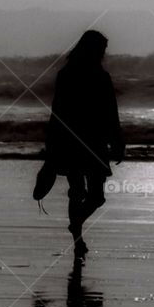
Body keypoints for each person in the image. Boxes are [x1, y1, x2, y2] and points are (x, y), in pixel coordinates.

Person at [43, 30, 124, 258]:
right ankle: (77, 238)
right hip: (80, 140)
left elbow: (57, 112)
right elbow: (110, 112)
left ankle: (76, 225)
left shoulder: (71, 74)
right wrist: (117, 140)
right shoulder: (78, 75)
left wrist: (117, 140)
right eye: (101, 49)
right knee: (79, 191)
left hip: (82, 140)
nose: (103, 54)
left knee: (93, 195)